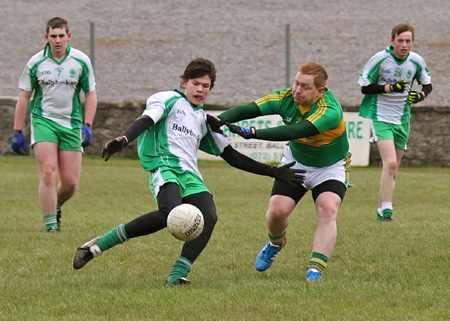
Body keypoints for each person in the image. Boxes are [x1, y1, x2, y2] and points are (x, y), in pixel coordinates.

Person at [72, 58, 305, 286]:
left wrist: (274, 172)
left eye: (206, 86)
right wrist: (124, 139)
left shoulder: (204, 120)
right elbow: (145, 120)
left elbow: (232, 156)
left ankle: (178, 274)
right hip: (164, 167)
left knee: (209, 217)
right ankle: (98, 245)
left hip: (190, 175)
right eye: (196, 83)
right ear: (184, 82)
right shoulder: (168, 99)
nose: (200, 90)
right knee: (168, 213)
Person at [207, 62, 351, 282]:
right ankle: (275, 243)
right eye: (296, 83)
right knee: (277, 212)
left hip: (330, 167)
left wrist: (254, 133)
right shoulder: (286, 98)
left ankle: (315, 269)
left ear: (320, 91)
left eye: (305, 87)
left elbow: (297, 129)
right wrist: (221, 119)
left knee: (328, 208)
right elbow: (252, 108)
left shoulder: (329, 110)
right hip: (297, 161)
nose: (297, 90)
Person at [11, 17, 97, 232]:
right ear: (46, 37)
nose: (57, 40)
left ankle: (56, 205)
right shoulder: (36, 63)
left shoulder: (81, 61)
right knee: (49, 172)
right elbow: (24, 97)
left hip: (71, 123)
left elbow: (91, 93)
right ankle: (51, 227)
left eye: (61, 36)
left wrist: (87, 124)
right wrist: (17, 131)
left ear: (68, 36)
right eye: (53, 36)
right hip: (43, 121)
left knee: (70, 182)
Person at [358, 23, 432, 222]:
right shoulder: (380, 59)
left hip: (402, 119)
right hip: (380, 116)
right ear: (392, 41)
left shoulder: (416, 61)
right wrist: (390, 88)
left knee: (393, 168)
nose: (404, 45)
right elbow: (365, 87)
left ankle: (382, 209)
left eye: (408, 41)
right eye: (400, 41)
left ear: (412, 42)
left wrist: (421, 96)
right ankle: (388, 210)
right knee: (389, 164)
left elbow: (428, 84)